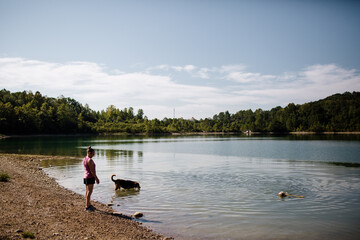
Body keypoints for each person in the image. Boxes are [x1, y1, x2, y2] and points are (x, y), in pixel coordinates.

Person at [83, 146, 100, 211]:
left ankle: (88, 204)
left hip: (85, 176)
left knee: (87, 191)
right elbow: (92, 171)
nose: (93, 155)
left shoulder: (85, 158)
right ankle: (87, 206)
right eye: (93, 154)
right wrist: (96, 178)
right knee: (90, 192)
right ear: (89, 153)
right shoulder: (90, 160)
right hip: (90, 177)